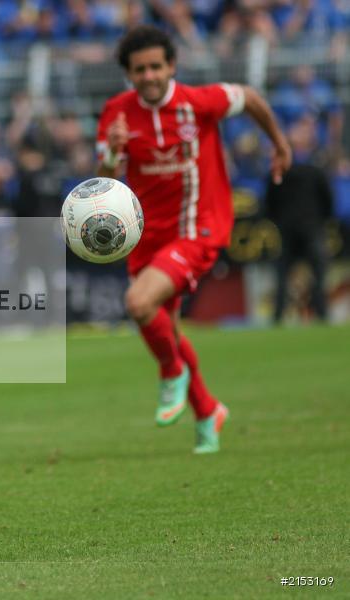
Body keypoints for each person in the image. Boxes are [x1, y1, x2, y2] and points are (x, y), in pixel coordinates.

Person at [95, 25, 291, 454]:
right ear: (129, 74)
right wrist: (111, 152)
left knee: (138, 304)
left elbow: (252, 98)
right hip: (145, 237)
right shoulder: (117, 113)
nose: (148, 76)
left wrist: (278, 143)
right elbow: (107, 183)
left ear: (171, 66)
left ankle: (170, 375)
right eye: (139, 69)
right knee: (165, 325)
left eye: (155, 67)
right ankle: (207, 411)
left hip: (198, 229)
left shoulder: (199, 102)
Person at [266, 117, 333, 323]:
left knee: (314, 272)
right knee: (285, 273)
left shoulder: (312, 168)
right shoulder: (290, 168)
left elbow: (270, 201)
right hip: (295, 228)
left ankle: (319, 312)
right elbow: (271, 199)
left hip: (306, 227)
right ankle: (280, 314)